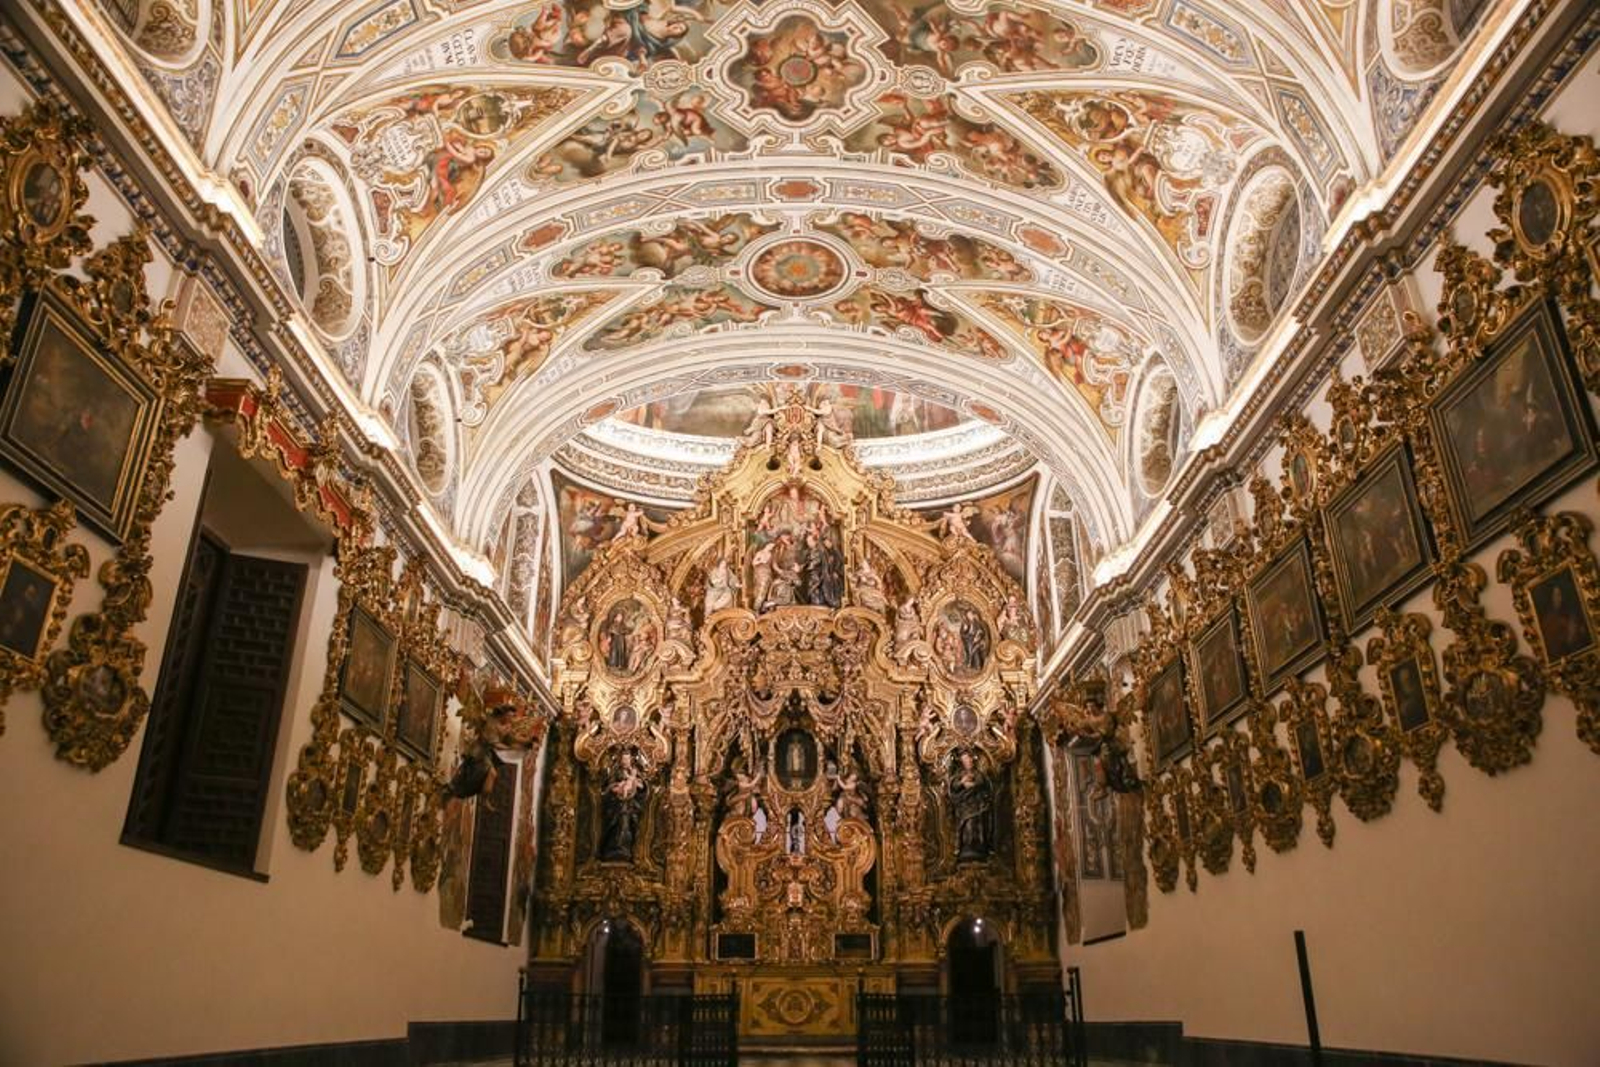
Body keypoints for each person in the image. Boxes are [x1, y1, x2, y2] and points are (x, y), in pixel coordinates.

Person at [599, 750, 647, 861]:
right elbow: (607, 787)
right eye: (623, 759)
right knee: (617, 824)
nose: (625, 761)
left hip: (631, 806)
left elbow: (643, 787)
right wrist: (616, 788)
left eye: (627, 759)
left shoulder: (635, 772)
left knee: (630, 825)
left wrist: (635, 783)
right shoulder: (615, 772)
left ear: (631, 760)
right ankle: (615, 848)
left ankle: (627, 849)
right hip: (616, 806)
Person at [948, 750, 993, 860]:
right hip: (964, 807)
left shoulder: (978, 773)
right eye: (966, 759)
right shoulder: (959, 775)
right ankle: (966, 847)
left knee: (978, 827)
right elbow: (953, 787)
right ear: (962, 761)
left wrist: (973, 785)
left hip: (978, 805)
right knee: (968, 826)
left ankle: (979, 847)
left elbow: (983, 783)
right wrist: (962, 783)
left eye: (970, 759)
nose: (969, 761)